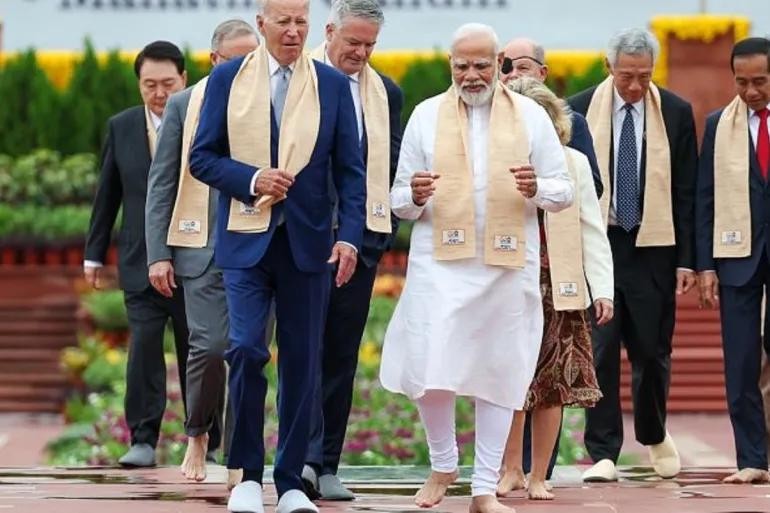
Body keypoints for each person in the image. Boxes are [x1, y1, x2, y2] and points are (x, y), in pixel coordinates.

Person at [380, 23, 573, 513]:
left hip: (506, 266)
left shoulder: (530, 116)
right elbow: (398, 200)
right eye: (462, 66)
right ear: (451, 64)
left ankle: (484, 487)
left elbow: (564, 190)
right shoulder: (426, 115)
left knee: (500, 373)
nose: (471, 75)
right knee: (428, 366)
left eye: (482, 65)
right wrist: (414, 196)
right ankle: (443, 463)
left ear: (499, 64)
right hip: (440, 264)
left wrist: (537, 189)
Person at [188, 0, 366, 510]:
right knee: (245, 349)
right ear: (261, 23)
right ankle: (246, 474)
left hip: (308, 244)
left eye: (300, 22)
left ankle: (289, 482)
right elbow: (202, 158)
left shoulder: (331, 85)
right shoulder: (227, 80)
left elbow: (351, 171)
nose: (292, 31)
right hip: (246, 239)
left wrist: (349, 237)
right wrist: (252, 179)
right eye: (283, 21)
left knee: (303, 363)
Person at [568, 28, 698, 482]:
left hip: (654, 248)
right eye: (627, 77)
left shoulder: (675, 112)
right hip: (599, 245)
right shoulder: (580, 109)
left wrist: (687, 259)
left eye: (645, 76)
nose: (636, 86)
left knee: (652, 351)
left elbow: (686, 191)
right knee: (601, 351)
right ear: (609, 68)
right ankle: (603, 451)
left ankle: (654, 432)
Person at [144, 19, 259, 482]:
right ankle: (198, 434)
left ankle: (239, 452)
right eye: (236, 60)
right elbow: (162, 183)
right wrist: (158, 252)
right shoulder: (184, 104)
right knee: (209, 347)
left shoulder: (274, 101)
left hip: (258, 245)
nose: (247, 69)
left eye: (254, 60)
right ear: (214, 60)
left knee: (248, 353)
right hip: (200, 247)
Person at [301, 0, 403, 501]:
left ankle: (326, 464)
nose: (361, 53)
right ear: (329, 32)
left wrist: (379, 232)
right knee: (303, 352)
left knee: (340, 356)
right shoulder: (298, 79)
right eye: (353, 42)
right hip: (304, 241)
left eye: (370, 45)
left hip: (360, 243)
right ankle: (300, 459)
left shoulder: (386, 92)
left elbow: (392, 165)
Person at [499, 77, 613, 500]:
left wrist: (602, 289)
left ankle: (538, 476)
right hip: (508, 281)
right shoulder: (495, 162)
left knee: (552, 384)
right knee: (507, 380)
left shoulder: (574, 163)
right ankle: (510, 469)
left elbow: (591, 229)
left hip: (557, 285)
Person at [83, 40, 189, 468]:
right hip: (139, 260)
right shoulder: (122, 126)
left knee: (198, 354)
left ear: (184, 80)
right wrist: (94, 254)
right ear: (139, 84)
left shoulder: (203, 121)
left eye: (168, 83)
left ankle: (208, 439)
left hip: (192, 261)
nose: (159, 93)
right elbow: (107, 193)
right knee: (143, 349)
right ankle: (143, 439)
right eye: (150, 85)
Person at [696, 37, 770, 484]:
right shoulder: (719, 124)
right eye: (741, 82)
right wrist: (705, 264)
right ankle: (752, 460)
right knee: (740, 361)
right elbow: (704, 198)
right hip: (737, 255)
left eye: (760, 81)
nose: (750, 91)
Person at [499, 37, 603, 199]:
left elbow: (592, 187)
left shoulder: (571, 122)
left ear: (542, 73)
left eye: (523, 67)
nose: (513, 75)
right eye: (505, 68)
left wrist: (547, 189)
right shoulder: (489, 119)